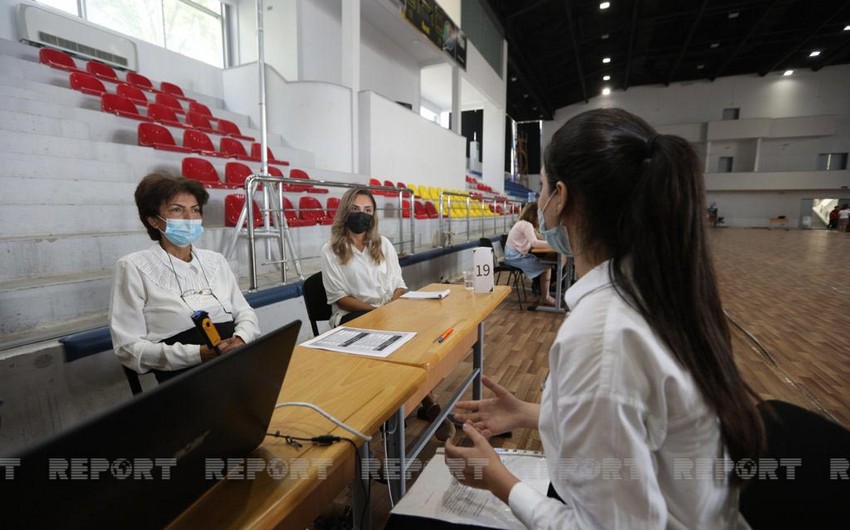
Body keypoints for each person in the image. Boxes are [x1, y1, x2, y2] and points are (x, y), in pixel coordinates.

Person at [445, 108, 764, 529]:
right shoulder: (654, 292)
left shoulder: (601, 335)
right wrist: (530, 413)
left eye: (541, 190)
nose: (538, 204)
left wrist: (500, 480)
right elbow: (643, 426)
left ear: (561, 198)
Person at [109, 172, 260, 383]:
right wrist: (197, 354)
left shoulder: (216, 261)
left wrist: (242, 337)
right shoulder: (133, 267)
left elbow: (244, 312)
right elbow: (128, 348)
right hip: (184, 376)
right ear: (153, 220)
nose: (190, 219)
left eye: (195, 210)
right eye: (176, 210)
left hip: (235, 360)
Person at [503, 203, 557, 306]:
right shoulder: (526, 225)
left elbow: (538, 238)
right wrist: (553, 244)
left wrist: (551, 242)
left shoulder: (523, 223)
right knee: (546, 267)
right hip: (514, 257)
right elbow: (535, 243)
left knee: (545, 263)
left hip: (513, 255)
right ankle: (546, 297)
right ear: (534, 214)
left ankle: (544, 294)